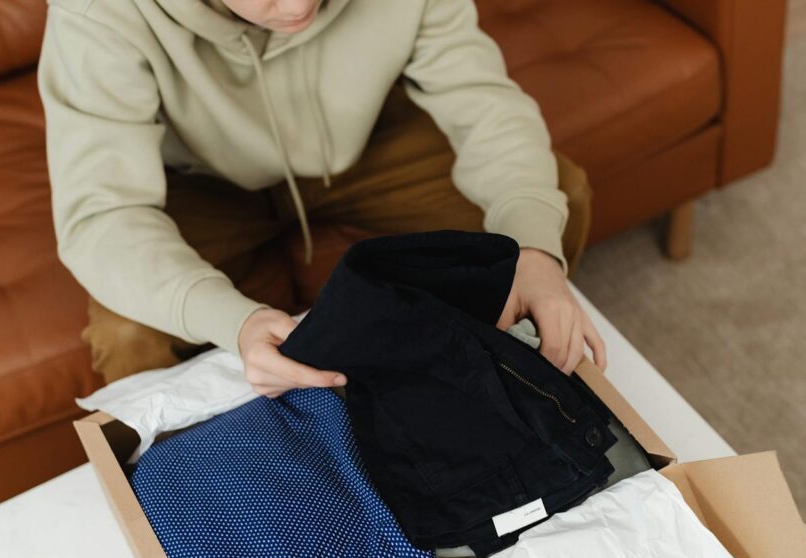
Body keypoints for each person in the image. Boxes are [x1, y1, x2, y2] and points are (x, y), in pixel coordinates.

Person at [39, 0, 608, 397]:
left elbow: (487, 108)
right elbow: (104, 213)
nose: (296, 8)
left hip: (363, 144)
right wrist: (234, 322)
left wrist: (534, 252)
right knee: (130, 334)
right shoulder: (95, 12)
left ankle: (498, 387)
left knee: (550, 208)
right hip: (198, 183)